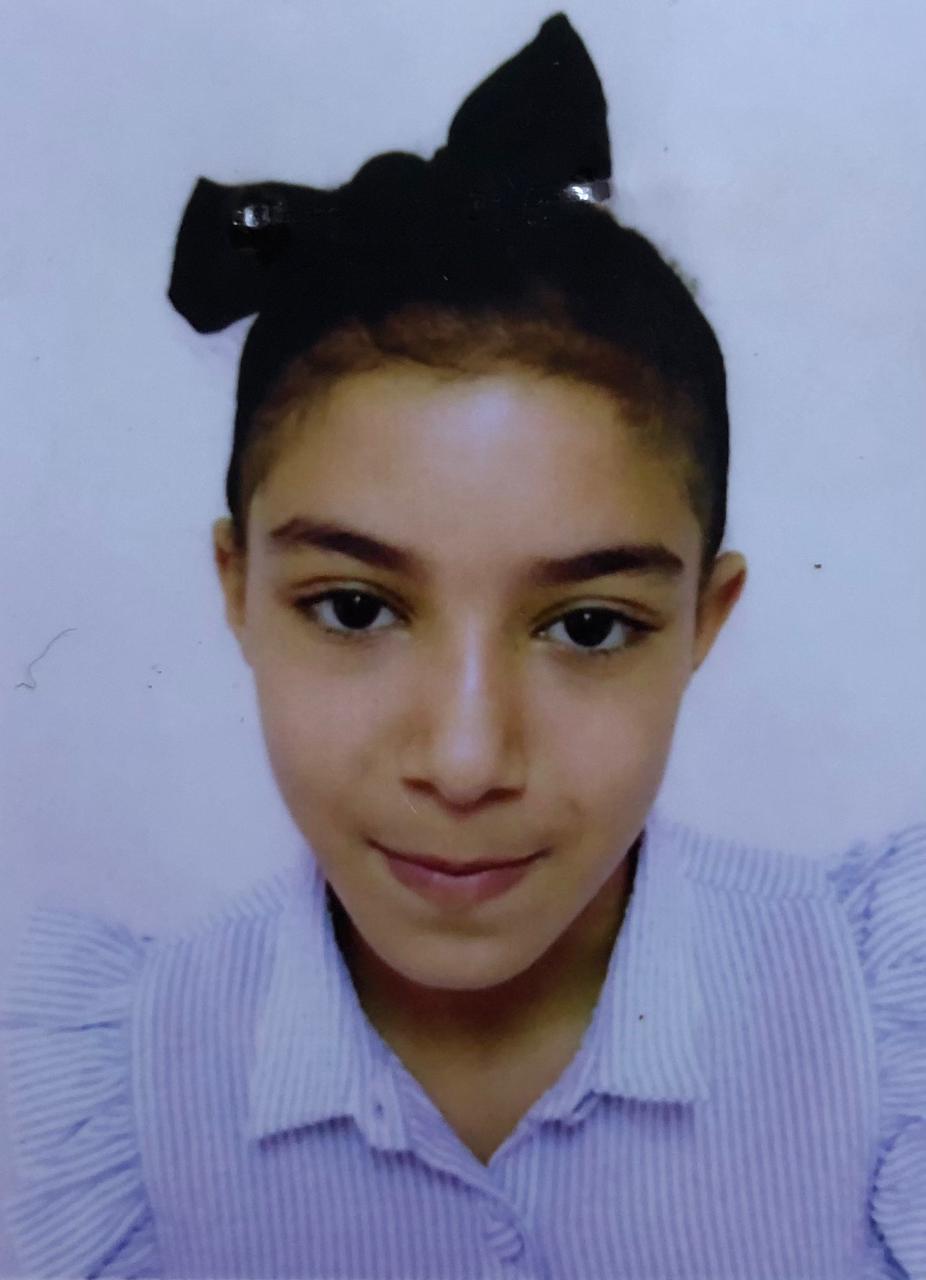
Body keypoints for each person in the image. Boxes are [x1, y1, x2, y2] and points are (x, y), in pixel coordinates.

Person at [2, 13, 923, 1279]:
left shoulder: (883, 1021)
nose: (465, 758)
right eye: (354, 608)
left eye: (587, 625)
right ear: (238, 588)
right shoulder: (89, 1100)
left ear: (703, 624)